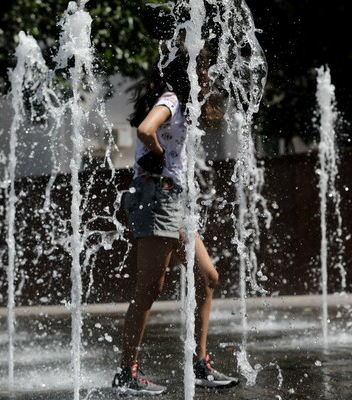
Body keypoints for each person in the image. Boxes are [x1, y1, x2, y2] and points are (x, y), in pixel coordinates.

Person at [111, 44, 238, 396]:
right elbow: (145, 130)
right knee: (149, 288)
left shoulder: (180, 104)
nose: (206, 77)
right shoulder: (171, 99)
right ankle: (127, 372)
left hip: (174, 201)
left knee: (208, 276)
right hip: (158, 198)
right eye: (202, 71)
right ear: (189, 73)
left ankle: (200, 364)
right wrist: (161, 157)